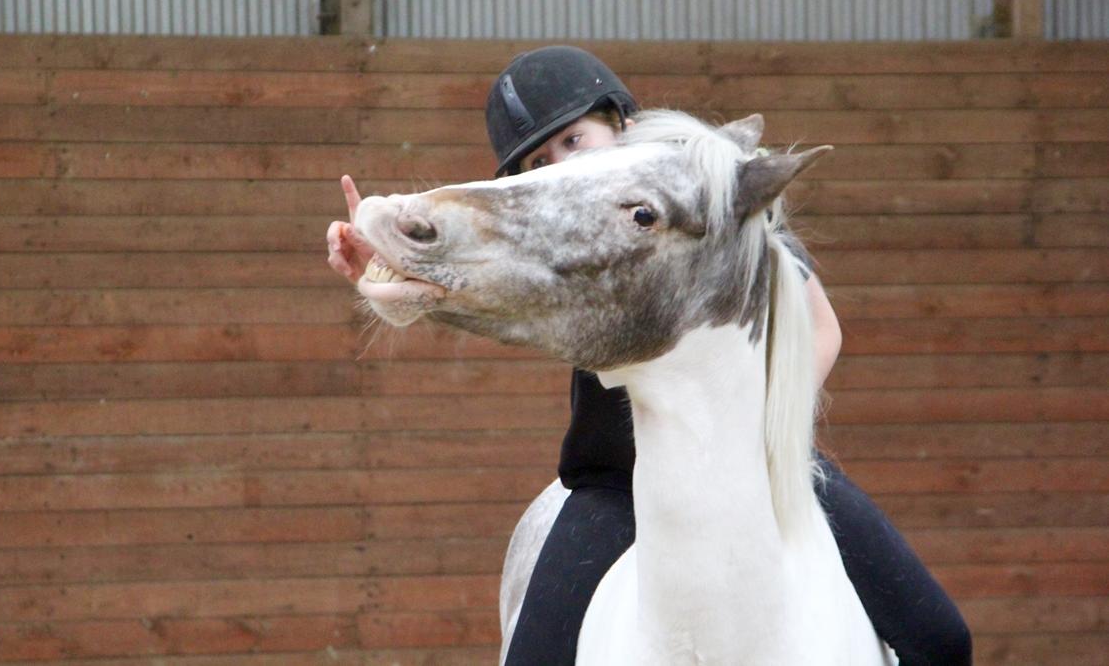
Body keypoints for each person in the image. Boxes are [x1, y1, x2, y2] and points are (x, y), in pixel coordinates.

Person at [328, 46, 972, 666]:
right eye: (538, 159)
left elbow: (821, 326)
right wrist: (382, 268)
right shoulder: (562, 230)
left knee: (942, 639)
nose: (557, 161)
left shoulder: (712, 214)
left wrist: (756, 432)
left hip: (757, 460)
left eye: (573, 139)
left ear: (623, 125)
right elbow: (466, 280)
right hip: (611, 481)